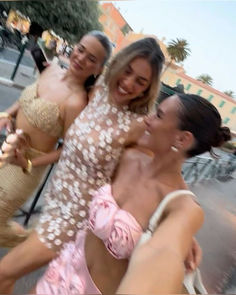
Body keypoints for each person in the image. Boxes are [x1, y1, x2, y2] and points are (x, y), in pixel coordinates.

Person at [0, 37, 165, 293]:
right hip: (53, 203)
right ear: (118, 65)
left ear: (147, 90)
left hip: (74, 219)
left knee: (3, 272)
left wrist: (177, 213)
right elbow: (58, 85)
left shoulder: (139, 126)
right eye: (127, 71)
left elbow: (163, 171)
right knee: (10, 278)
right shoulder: (97, 93)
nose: (128, 83)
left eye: (140, 82)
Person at [29, 93, 231, 294]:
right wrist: (29, 162)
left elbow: (166, 250)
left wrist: (182, 236)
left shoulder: (182, 207)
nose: (148, 119)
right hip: (62, 269)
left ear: (182, 138)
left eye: (159, 115)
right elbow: (81, 152)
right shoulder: (129, 158)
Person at [0, 30, 111, 247]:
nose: (80, 58)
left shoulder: (77, 102)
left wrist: (28, 162)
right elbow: (26, 101)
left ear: (98, 69)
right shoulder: (50, 71)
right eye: (81, 50)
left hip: (24, 170)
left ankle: (28, 241)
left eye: (92, 59)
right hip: (6, 149)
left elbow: (68, 150)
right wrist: (7, 114)